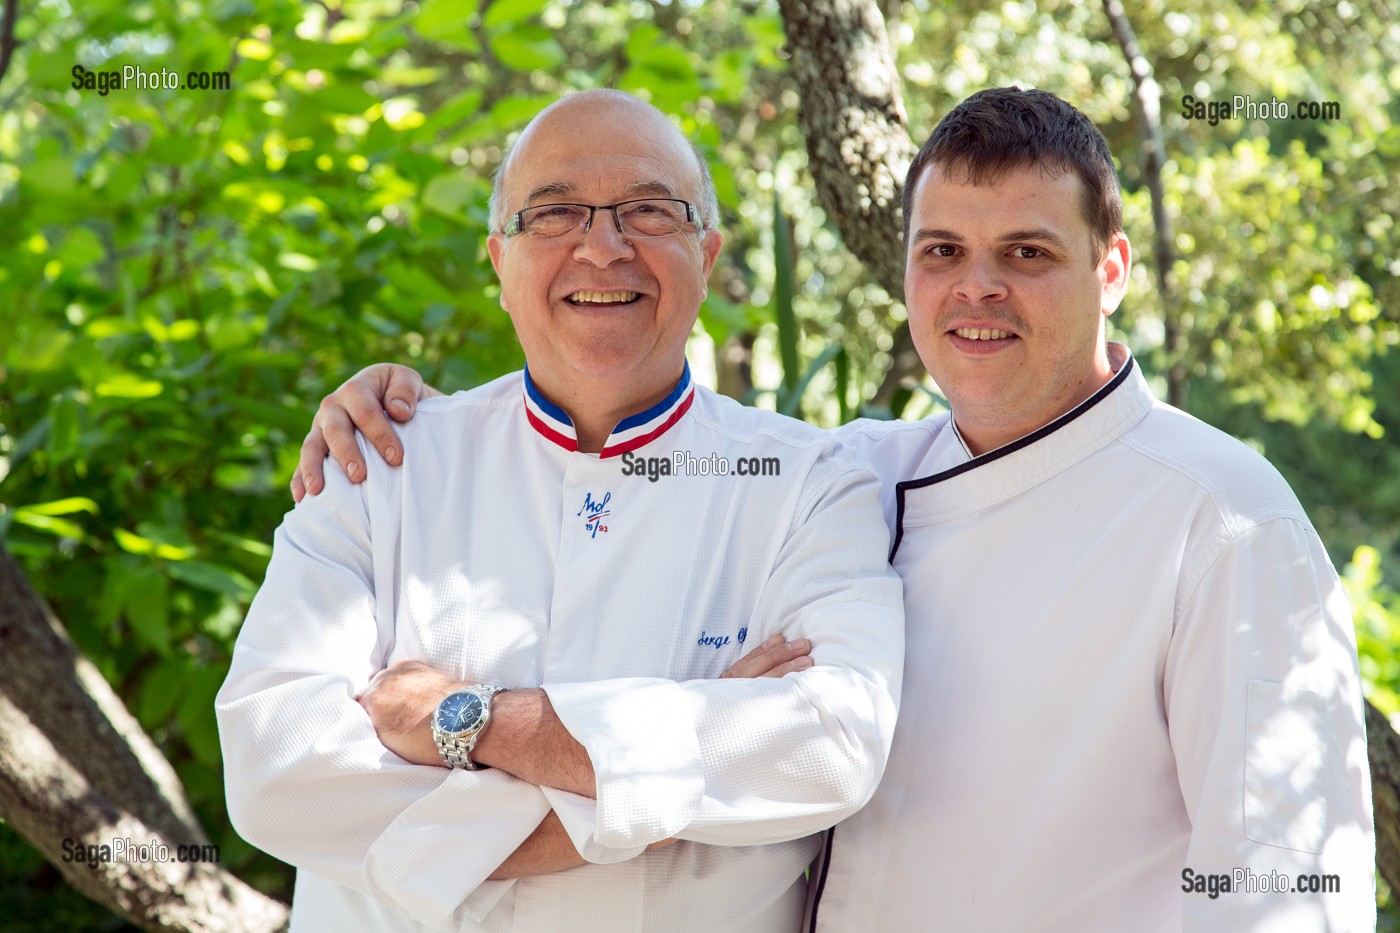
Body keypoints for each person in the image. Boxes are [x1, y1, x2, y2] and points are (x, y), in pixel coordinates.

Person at [295, 87, 1377, 930]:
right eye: (942, 251)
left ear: (1112, 269)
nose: (976, 288)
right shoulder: (852, 473)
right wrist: (396, 414)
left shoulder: (1222, 519)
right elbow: (622, 435)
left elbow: (1281, 889)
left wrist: (477, 720)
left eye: (1027, 254)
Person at [216, 88, 905, 933]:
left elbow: (830, 743)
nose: (602, 247)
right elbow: (271, 764)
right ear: (499, 262)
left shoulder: (808, 481)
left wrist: (457, 719)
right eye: (554, 214)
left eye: (648, 211)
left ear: (708, 253)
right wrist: (658, 793)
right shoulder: (385, 461)